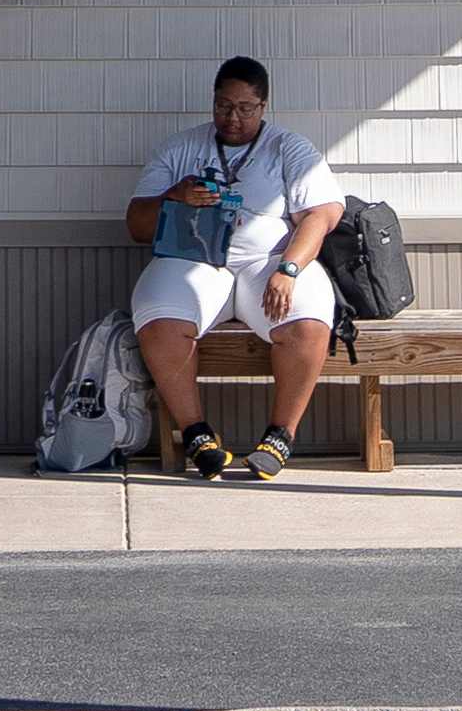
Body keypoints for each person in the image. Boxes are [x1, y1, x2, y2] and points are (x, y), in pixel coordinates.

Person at [123, 54, 345, 485]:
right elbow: (135, 224)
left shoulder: (288, 148)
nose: (233, 118)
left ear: (263, 106)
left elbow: (321, 215)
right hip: (197, 261)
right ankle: (197, 433)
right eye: (224, 106)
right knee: (158, 317)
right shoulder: (181, 147)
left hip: (267, 262)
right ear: (213, 103)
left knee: (310, 320)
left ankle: (280, 435)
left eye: (245, 108)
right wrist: (174, 196)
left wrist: (290, 268)